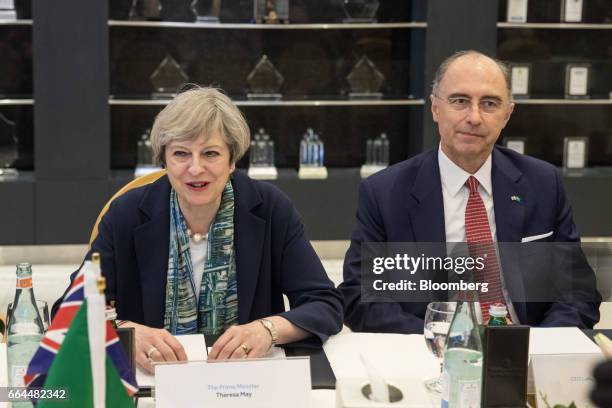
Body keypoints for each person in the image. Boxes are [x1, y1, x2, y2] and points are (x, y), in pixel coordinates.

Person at [53, 87, 343, 373]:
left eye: (211, 153)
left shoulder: (270, 208)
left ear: (232, 161)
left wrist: (268, 329)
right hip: (153, 383)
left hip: (247, 380)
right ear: (163, 160)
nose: (195, 168)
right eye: (181, 153)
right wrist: (124, 332)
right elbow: (67, 311)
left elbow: (325, 304)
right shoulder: (127, 215)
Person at [339, 50, 601, 333]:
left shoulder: (544, 183)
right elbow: (361, 297)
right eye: (460, 101)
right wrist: (448, 342)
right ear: (435, 109)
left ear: (507, 115)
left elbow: (577, 292)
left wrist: (536, 346)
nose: (474, 117)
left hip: (525, 347)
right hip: (430, 351)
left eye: (489, 103)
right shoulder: (384, 193)